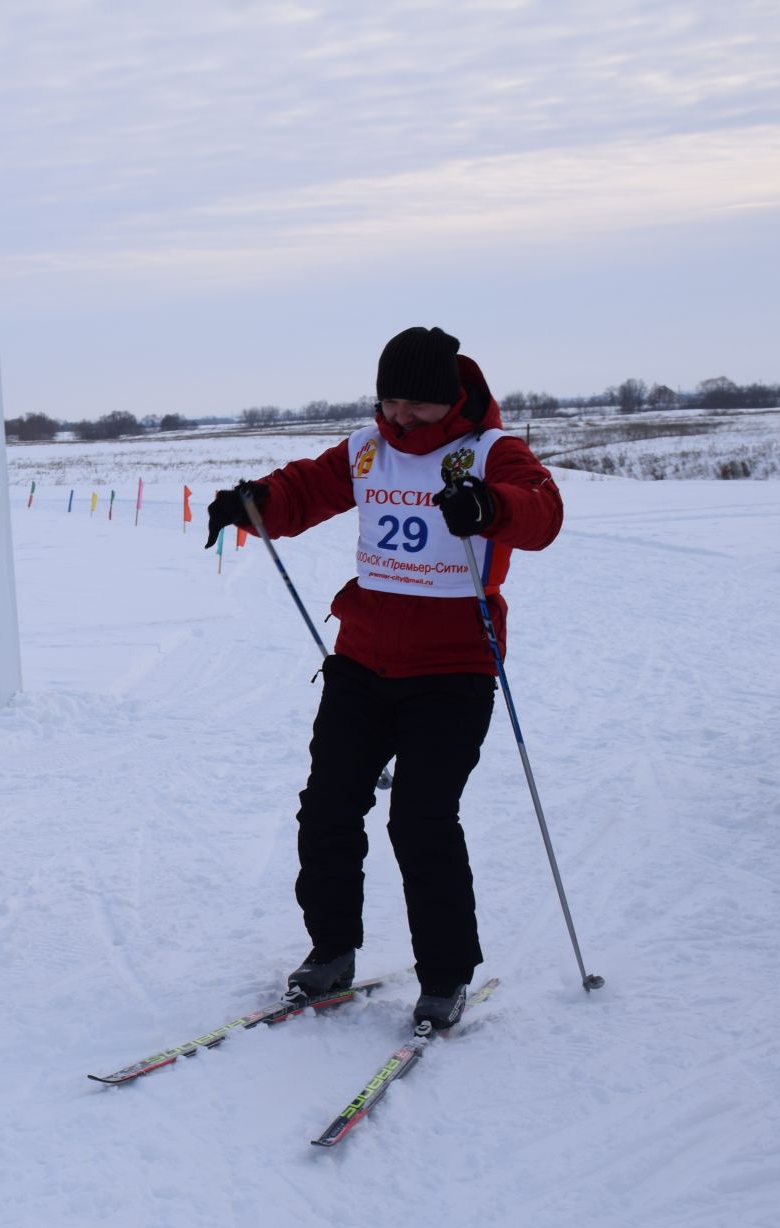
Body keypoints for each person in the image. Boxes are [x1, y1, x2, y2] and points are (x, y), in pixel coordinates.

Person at [203, 326, 563, 1028]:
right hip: (361, 662)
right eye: (388, 401)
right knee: (329, 806)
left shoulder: (489, 453)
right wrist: (256, 503)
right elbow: (307, 488)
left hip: (453, 668)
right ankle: (330, 952)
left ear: (450, 399)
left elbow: (542, 512)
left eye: (415, 406)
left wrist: (492, 508)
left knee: (421, 819)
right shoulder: (367, 450)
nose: (399, 418)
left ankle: (445, 975)